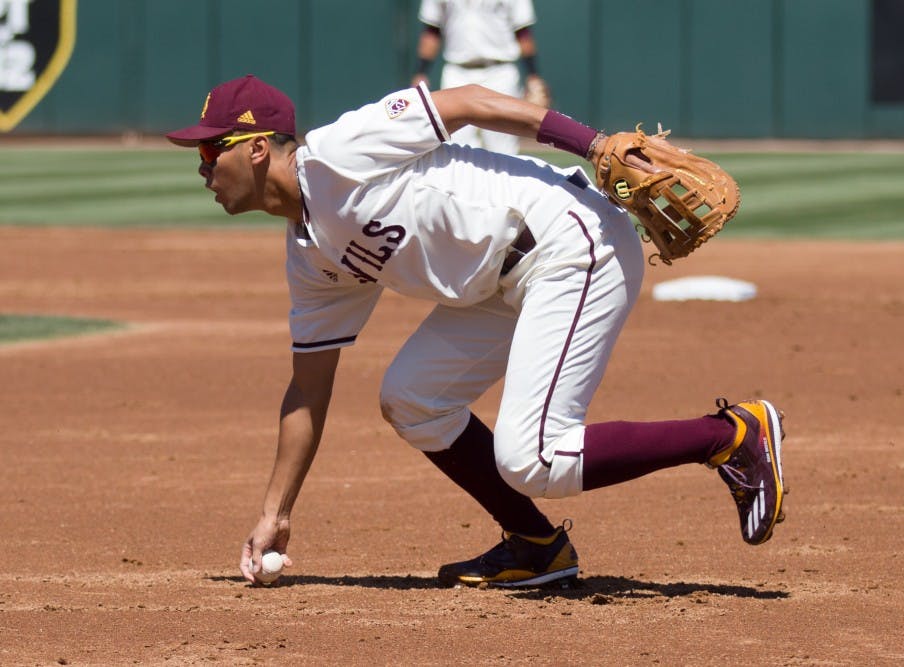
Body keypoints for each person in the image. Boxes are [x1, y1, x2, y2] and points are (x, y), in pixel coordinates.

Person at [165, 74, 787, 589]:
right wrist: (275, 512)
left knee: (535, 457)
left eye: (207, 150)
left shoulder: (337, 153)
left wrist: (592, 145)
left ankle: (730, 435)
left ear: (254, 147)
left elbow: (466, 101)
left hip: (569, 244)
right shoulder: (310, 254)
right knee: (411, 397)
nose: (201, 169)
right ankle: (536, 545)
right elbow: (309, 388)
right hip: (498, 285)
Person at [411, 0, 543, 155]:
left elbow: (522, 32)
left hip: (499, 71)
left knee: (503, 149)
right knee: (455, 148)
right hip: (457, 71)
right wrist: (421, 72)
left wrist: (533, 75)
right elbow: (432, 30)